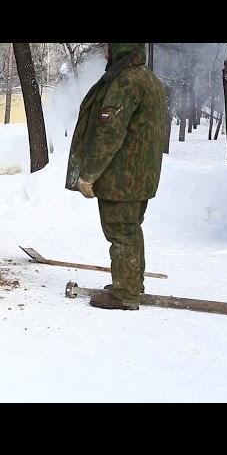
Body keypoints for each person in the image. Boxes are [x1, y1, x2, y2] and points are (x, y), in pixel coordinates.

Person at [65, 43, 166, 310]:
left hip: (122, 177)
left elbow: (110, 133)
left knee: (120, 232)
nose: (106, 53)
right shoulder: (148, 79)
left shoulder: (125, 83)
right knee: (130, 230)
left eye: (109, 47)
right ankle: (132, 283)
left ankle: (124, 294)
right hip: (141, 175)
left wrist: (88, 175)